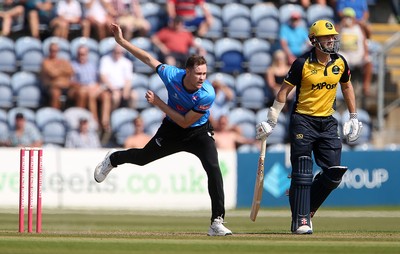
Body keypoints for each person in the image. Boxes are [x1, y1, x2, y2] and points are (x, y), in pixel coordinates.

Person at [94, 22, 232, 236]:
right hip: (171, 130)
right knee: (142, 159)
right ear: (187, 71)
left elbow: (186, 122)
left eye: (205, 74)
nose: (202, 78)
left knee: (214, 169)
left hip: (197, 131)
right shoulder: (171, 75)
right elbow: (148, 59)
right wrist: (121, 42)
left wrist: (159, 103)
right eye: (198, 74)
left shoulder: (207, 94)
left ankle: (216, 222)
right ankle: (113, 159)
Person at [256, 20, 363, 234]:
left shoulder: (340, 62)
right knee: (302, 170)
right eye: (326, 37)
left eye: (333, 37)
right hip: (303, 120)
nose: (332, 40)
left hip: (328, 121)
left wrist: (353, 116)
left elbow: (347, 86)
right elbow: (283, 92)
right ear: (314, 40)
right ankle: (301, 220)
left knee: (334, 172)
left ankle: (307, 204)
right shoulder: (301, 63)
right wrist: (271, 119)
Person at [71, 45, 111, 130]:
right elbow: (71, 82)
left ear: (87, 54)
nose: (81, 56)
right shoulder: (73, 65)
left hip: (94, 87)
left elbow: (98, 80)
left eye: (83, 54)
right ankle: (95, 121)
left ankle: (105, 122)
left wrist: (97, 86)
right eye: (80, 54)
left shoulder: (92, 65)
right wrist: (84, 86)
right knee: (90, 94)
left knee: (106, 95)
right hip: (82, 88)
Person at [337, 7, 372, 97]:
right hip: (345, 56)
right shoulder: (340, 27)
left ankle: (366, 86)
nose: (347, 19)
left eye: (349, 17)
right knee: (338, 61)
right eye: (345, 17)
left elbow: (367, 38)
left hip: (358, 56)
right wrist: (341, 25)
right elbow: (333, 36)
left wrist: (366, 53)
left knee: (368, 62)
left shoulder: (359, 28)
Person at [99, 44, 135, 130]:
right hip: (109, 88)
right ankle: (111, 117)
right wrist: (113, 89)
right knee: (115, 97)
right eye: (116, 52)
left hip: (122, 88)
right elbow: (103, 76)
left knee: (134, 96)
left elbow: (128, 79)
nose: (118, 54)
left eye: (120, 52)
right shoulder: (105, 60)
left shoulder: (127, 62)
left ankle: (132, 117)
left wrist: (126, 91)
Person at [40, 42, 76, 110]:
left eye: (55, 50)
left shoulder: (62, 60)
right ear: (49, 50)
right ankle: (55, 113)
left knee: (80, 92)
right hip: (51, 87)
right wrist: (63, 71)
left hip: (66, 86)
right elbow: (53, 74)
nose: (54, 52)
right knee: (56, 93)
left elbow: (71, 71)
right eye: (52, 50)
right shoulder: (45, 62)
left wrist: (58, 70)